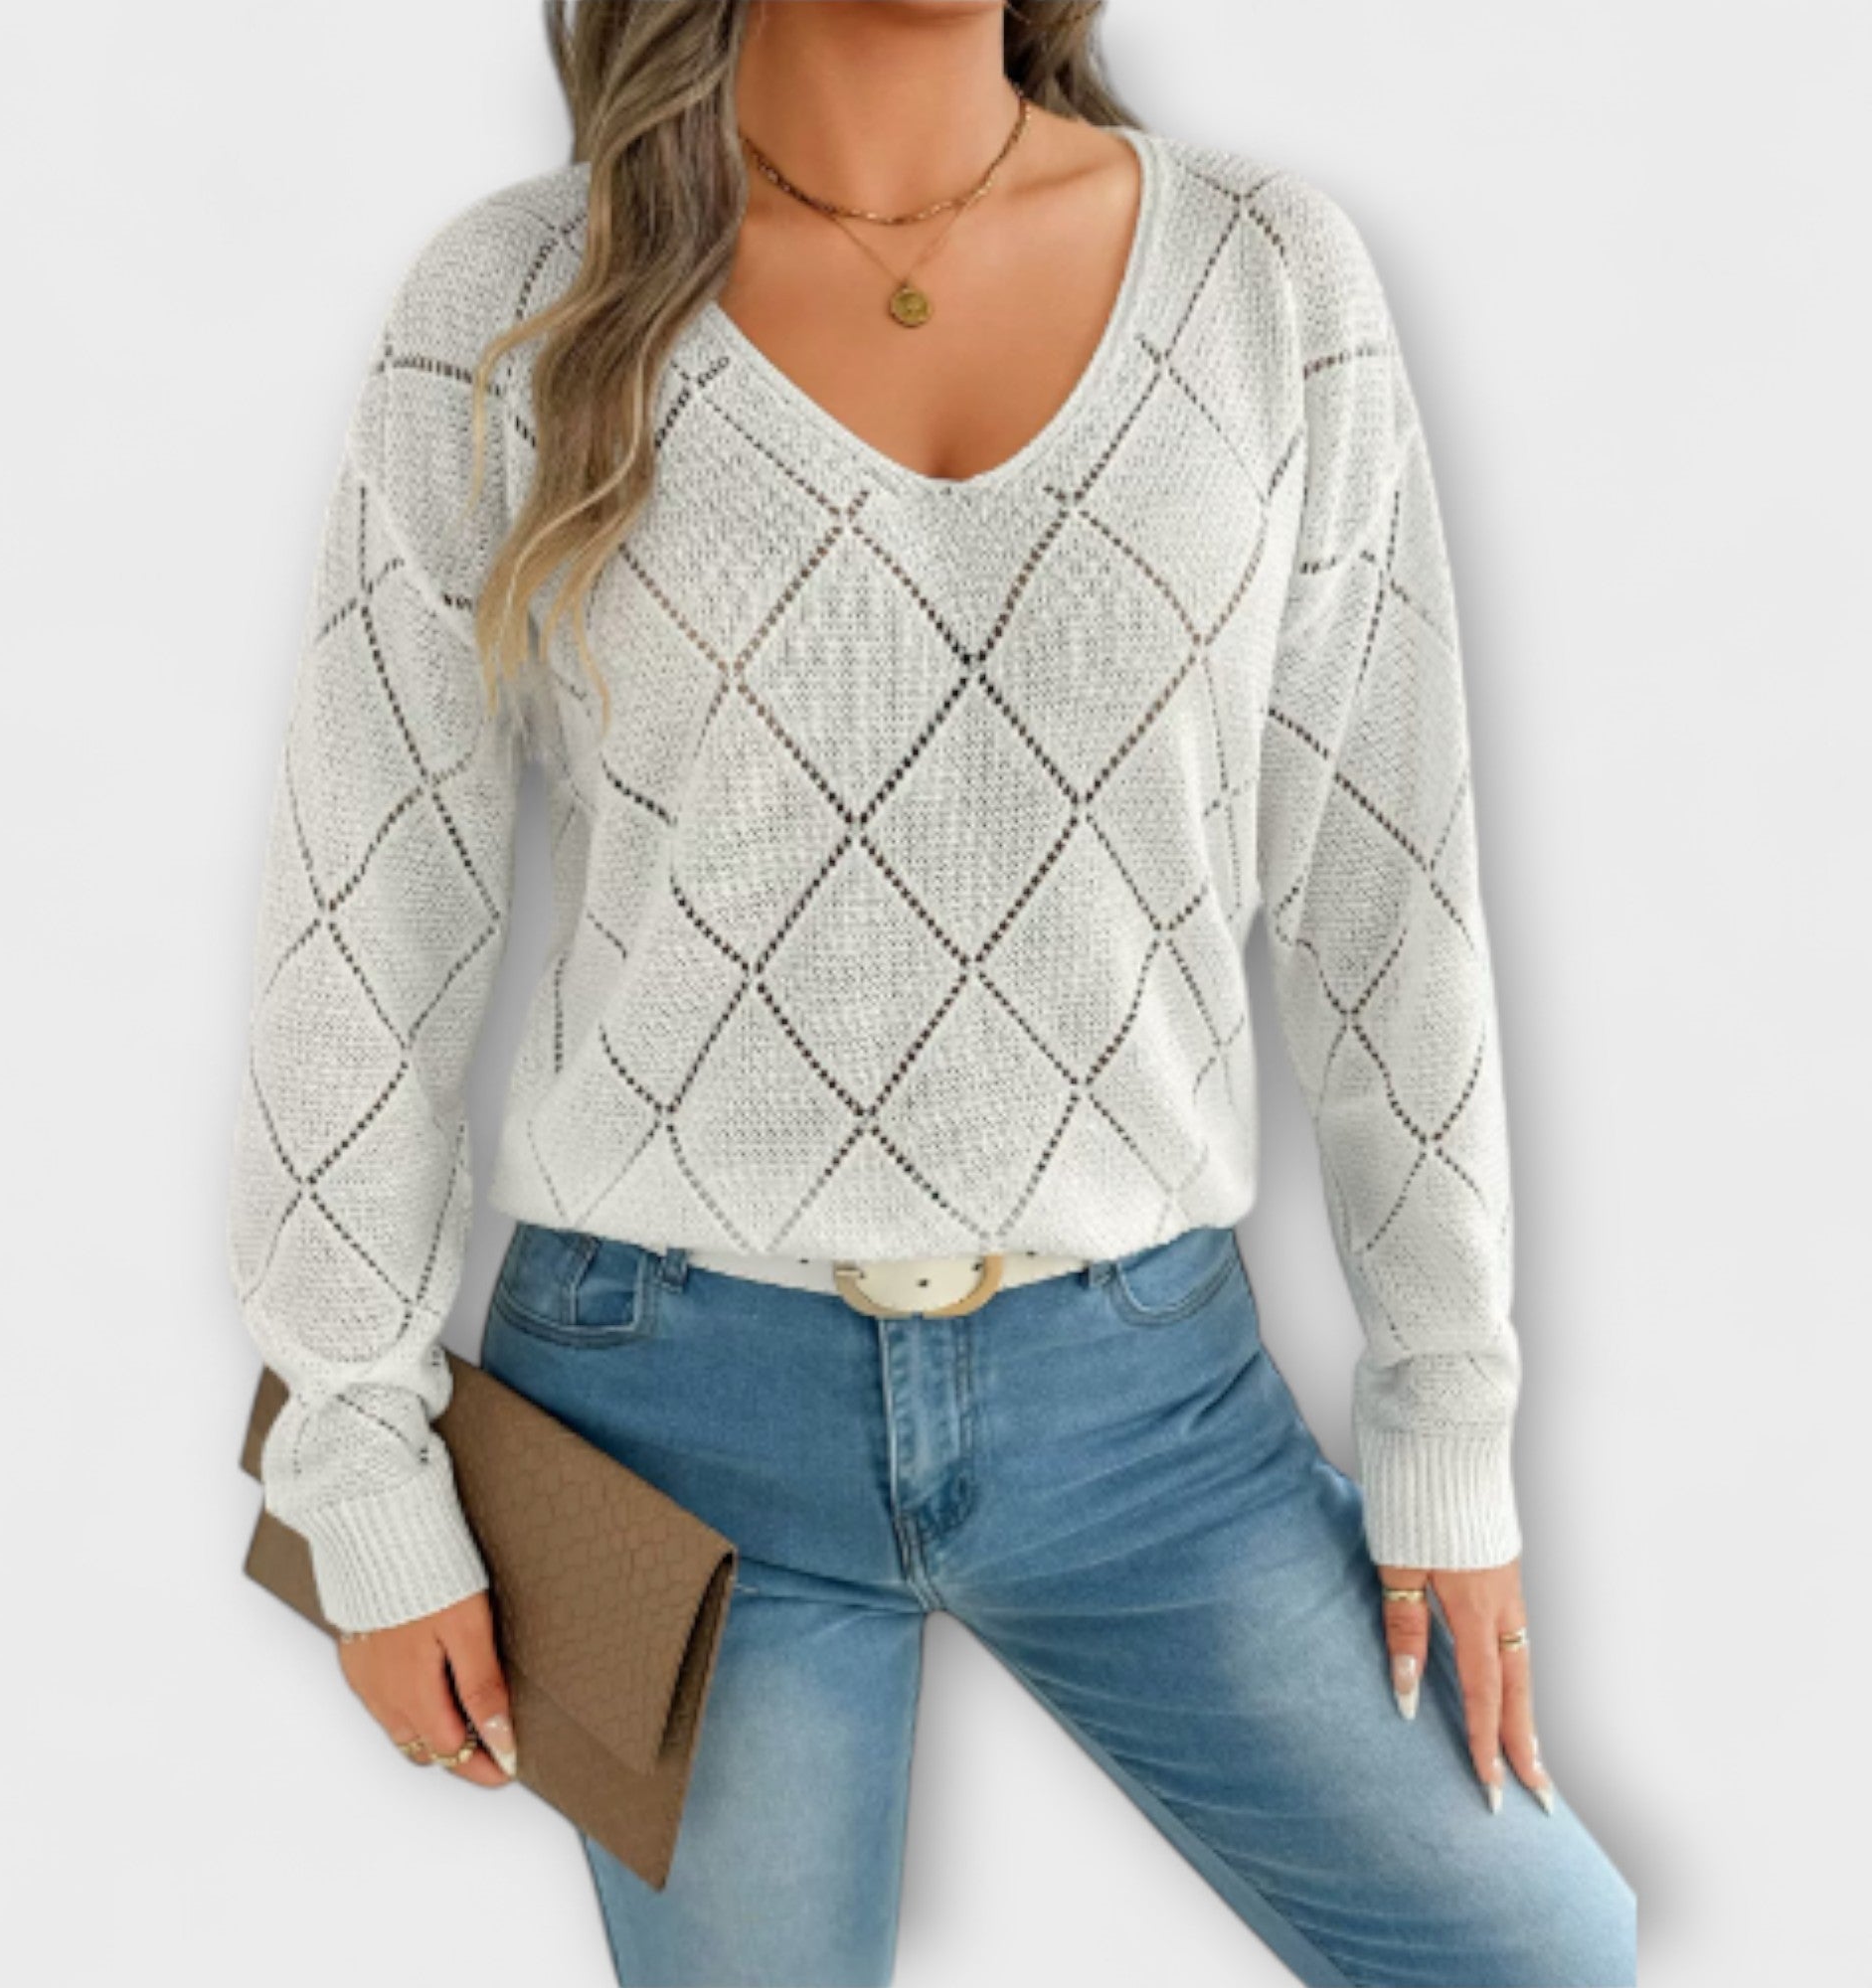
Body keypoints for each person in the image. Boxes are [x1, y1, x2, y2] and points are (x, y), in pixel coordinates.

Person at [225, 2, 1638, 1981]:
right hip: (666, 1411)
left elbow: (1385, 889)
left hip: (1147, 1406)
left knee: (1541, 1950)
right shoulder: (519, 300)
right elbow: (371, 911)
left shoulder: (1266, 280)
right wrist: (354, 1459)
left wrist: (1448, 1424)